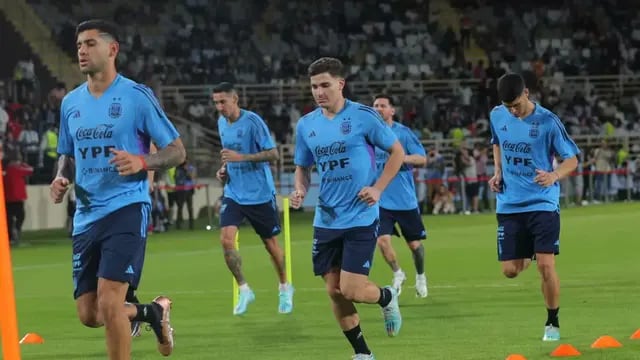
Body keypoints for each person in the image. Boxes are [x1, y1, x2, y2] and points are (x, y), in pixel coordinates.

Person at [49, 19, 186, 359]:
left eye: (90, 43)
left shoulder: (136, 96)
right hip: (86, 215)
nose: (82, 50)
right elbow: (67, 154)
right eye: (79, 44)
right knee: (90, 313)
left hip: (127, 206)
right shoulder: (71, 103)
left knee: (110, 302)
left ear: (112, 50)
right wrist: (61, 177)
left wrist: (143, 162)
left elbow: (177, 151)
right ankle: (151, 312)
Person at [290, 57, 405, 360]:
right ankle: (363, 353)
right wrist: (300, 188)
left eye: (325, 85)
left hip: (360, 216)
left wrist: (378, 188)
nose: (318, 92)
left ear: (341, 84)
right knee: (333, 291)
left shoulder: (364, 117)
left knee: (352, 289)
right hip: (326, 219)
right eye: (314, 86)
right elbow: (302, 167)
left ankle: (386, 296)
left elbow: (397, 152)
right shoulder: (306, 125)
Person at [488, 73, 579, 342]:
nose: (513, 111)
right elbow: (496, 142)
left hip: (542, 202)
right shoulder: (497, 115)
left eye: (516, 104)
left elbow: (571, 159)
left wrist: (553, 176)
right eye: (508, 107)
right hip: (509, 202)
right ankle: (528, 253)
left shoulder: (548, 121)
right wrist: (497, 171)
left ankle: (552, 321)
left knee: (546, 267)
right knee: (510, 270)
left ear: (526, 93)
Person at [212, 82, 294, 316]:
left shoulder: (253, 122)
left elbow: (273, 154)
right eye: (216, 102)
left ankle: (285, 286)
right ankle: (244, 289)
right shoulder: (221, 123)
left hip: (259, 194)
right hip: (234, 192)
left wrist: (242, 157)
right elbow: (229, 157)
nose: (219, 107)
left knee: (271, 246)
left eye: (223, 102)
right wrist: (224, 169)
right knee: (226, 240)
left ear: (235, 99)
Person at [371, 94, 429, 298]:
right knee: (382, 241)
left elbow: (422, 159)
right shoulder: (369, 135)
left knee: (414, 245)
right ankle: (398, 273)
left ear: (391, 111)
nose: (378, 109)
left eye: (382, 106)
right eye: (375, 105)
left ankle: (421, 276)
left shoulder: (403, 134)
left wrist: (400, 157)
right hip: (381, 200)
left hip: (404, 201)